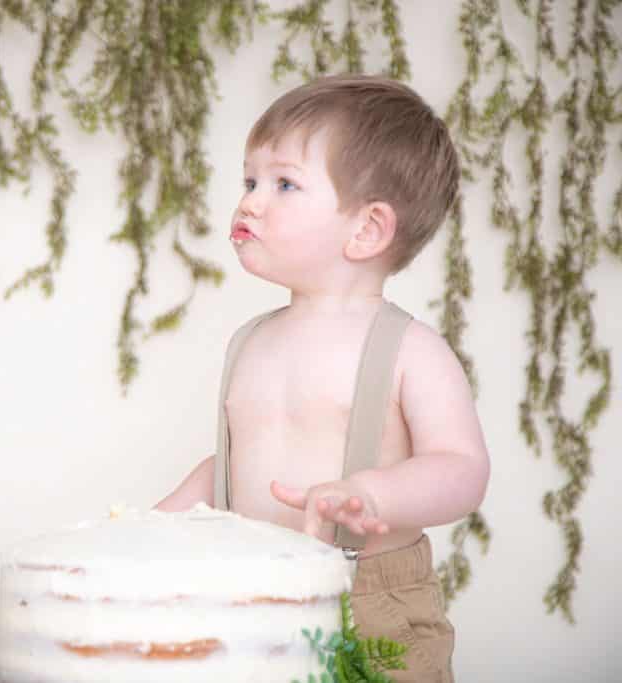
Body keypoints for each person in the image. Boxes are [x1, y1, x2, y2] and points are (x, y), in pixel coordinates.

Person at [155, 74, 490, 682]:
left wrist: (376, 495)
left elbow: (462, 469)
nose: (250, 201)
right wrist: (155, 526)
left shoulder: (410, 348)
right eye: (249, 181)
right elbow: (231, 466)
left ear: (365, 230)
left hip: (370, 605)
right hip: (251, 599)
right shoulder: (250, 341)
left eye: (284, 184)